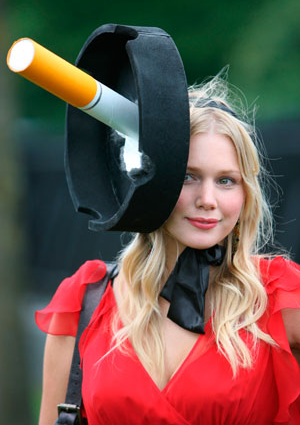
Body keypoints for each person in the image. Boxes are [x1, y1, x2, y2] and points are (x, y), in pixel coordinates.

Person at [36, 74, 300, 425]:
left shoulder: (279, 295)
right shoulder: (86, 299)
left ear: (245, 193)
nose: (207, 200)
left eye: (225, 180)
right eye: (188, 177)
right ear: (152, 183)